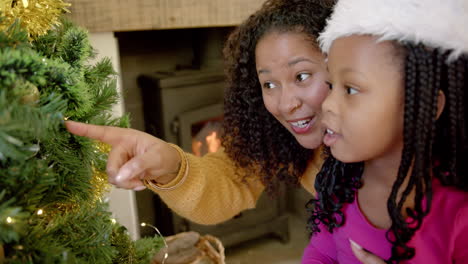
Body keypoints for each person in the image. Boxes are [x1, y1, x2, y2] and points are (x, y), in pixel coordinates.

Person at [66, 0, 334, 224]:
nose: (286, 104)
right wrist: (172, 166)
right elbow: (228, 181)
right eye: (269, 84)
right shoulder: (280, 139)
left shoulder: (372, 151)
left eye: (301, 76)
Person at [303, 0, 468, 263]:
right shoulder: (339, 185)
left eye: (351, 89)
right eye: (331, 85)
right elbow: (321, 252)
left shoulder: (459, 217)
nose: (327, 104)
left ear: (423, 104)